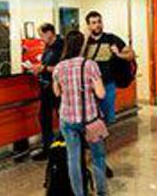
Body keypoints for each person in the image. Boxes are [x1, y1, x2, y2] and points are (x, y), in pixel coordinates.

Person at [53, 31, 107, 196]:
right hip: (89, 119)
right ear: (82, 45)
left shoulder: (59, 67)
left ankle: (79, 194)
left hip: (67, 120)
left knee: (73, 158)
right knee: (98, 156)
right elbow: (101, 94)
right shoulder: (89, 65)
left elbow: (57, 92)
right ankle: (101, 191)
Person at [84, 11, 135, 125]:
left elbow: (131, 55)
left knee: (108, 117)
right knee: (92, 118)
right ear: (88, 25)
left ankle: (105, 139)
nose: (97, 25)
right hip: (89, 86)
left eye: (99, 22)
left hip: (108, 83)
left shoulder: (111, 38)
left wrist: (119, 54)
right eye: (94, 23)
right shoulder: (85, 42)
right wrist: (85, 39)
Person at [31, 23, 64, 161]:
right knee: (44, 118)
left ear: (49, 33)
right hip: (45, 88)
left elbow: (61, 67)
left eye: (41, 35)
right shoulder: (48, 47)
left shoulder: (61, 46)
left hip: (57, 88)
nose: (40, 38)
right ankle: (48, 147)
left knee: (62, 117)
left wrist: (43, 68)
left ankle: (62, 147)